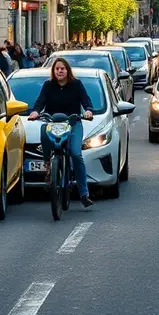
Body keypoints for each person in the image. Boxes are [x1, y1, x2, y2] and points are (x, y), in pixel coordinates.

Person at [27, 58, 97, 208]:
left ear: (68, 71)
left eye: (63, 69)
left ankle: (84, 193)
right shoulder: (48, 85)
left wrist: (89, 111)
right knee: (43, 131)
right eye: (57, 69)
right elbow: (40, 102)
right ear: (53, 71)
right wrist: (35, 112)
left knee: (76, 154)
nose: (60, 71)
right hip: (53, 124)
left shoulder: (76, 84)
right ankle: (48, 164)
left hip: (73, 124)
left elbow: (86, 101)